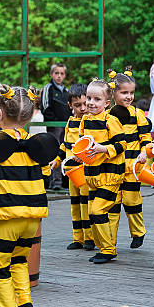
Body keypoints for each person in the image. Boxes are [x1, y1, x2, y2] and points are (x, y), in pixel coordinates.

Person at [0, 84, 54, 307]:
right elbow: (47, 176)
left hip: (5, 216)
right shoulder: (38, 145)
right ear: (29, 116)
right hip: (32, 217)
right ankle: (23, 301)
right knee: (19, 260)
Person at [79, 79, 127, 264]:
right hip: (93, 175)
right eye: (88, 98)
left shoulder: (110, 120)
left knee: (98, 210)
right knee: (92, 211)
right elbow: (84, 145)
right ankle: (103, 248)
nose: (91, 102)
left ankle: (108, 249)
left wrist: (103, 149)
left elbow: (121, 144)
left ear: (107, 103)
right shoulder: (85, 120)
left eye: (96, 99)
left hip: (110, 175)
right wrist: (78, 155)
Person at [107, 67, 150, 249]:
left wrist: (144, 152)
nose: (129, 96)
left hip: (132, 166)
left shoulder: (137, 114)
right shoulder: (107, 116)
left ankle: (138, 232)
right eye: (124, 92)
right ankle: (110, 241)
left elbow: (146, 139)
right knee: (112, 204)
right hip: (112, 167)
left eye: (131, 93)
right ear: (113, 93)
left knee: (132, 202)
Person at [51, 83, 94, 250]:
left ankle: (90, 238)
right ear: (70, 106)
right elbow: (65, 145)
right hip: (70, 171)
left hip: (84, 169)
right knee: (74, 205)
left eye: (85, 104)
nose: (82, 108)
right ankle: (78, 238)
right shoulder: (70, 122)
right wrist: (57, 160)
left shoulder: (91, 122)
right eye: (78, 105)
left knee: (85, 204)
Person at [41, 63, 71, 188]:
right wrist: (53, 120)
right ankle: (54, 181)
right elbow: (45, 106)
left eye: (62, 73)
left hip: (66, 125)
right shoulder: (48, 88)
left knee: (66, 150)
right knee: (54, 151)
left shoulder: (66, 91)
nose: (59, 76)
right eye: (56, 73)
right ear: (52, 74)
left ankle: (66, 181)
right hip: (54, 125)